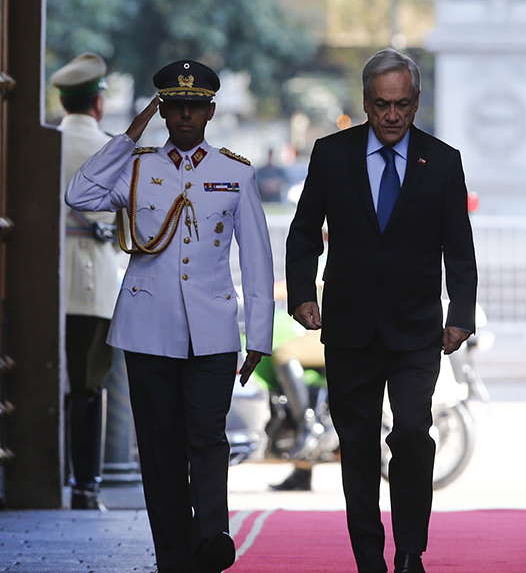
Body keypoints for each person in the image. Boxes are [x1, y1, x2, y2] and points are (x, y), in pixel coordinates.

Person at [65, 59, 274, 573]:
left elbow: (256, 258)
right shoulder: (137, 167)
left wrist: (260, 335)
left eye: (194, 106)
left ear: (209, 111)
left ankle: (212, 537)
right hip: (147, 329)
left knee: (207, 438)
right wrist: (129, 133)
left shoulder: (235, 172)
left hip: (214, 332)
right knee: (160, 450)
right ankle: (174, 558)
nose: (185, 115)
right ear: (162, 112)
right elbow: (80, 194)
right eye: (175, 106)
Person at [286, 48, 477, 573]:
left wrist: (460, 313)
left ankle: (411, 551)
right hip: (348, 328)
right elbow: (303, 233)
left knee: (413, 434)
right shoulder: (331, 154)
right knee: (358, 444)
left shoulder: (442, 161)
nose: (392, 116)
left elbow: (460, 247)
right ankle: (368, 557)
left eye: (403, 104)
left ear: (417, 103)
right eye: (381, 105)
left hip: (417, 329)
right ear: (365, 104)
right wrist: (303, 294)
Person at [51, 52, 117, 511]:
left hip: (43, 282)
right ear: (97, 103)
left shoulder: (40, 145)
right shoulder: (111, 148)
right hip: (95, 284)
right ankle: (86, 486)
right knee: (89, 387)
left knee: (42, 383)